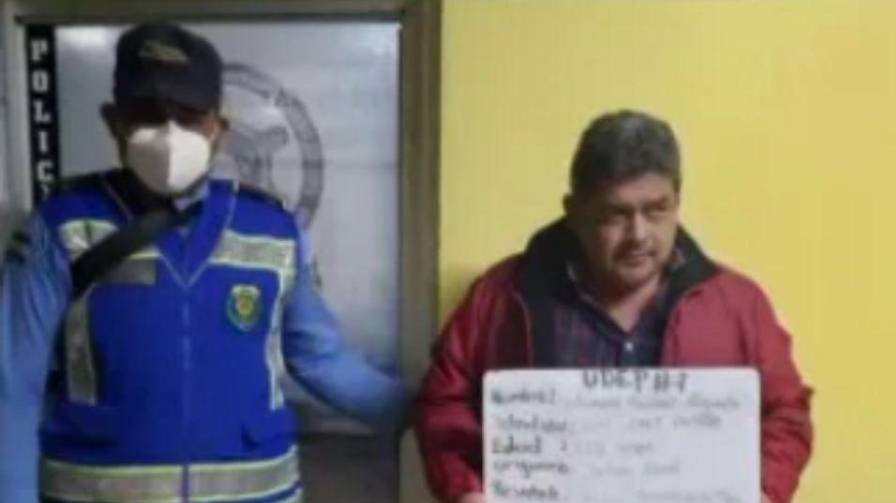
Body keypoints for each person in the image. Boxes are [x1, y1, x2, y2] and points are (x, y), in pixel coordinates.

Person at [0, 23, 407, 503]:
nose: (170, 134)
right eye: (147, 114)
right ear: (114, 121)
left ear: (219, 129)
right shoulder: (61, 227)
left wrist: (437, 414)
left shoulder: (273, 230)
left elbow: (321, 359)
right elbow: (13, 384)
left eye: (189, 117)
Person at [414, 110, 813, 503]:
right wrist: (466, 489)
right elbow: (442, 402)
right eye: (616, 215)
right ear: (574, 212)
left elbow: (787, 413)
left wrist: (764, 491)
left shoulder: (738, 304)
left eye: (656, 210)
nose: (639, 235)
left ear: (677, 203)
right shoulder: (502, 295)